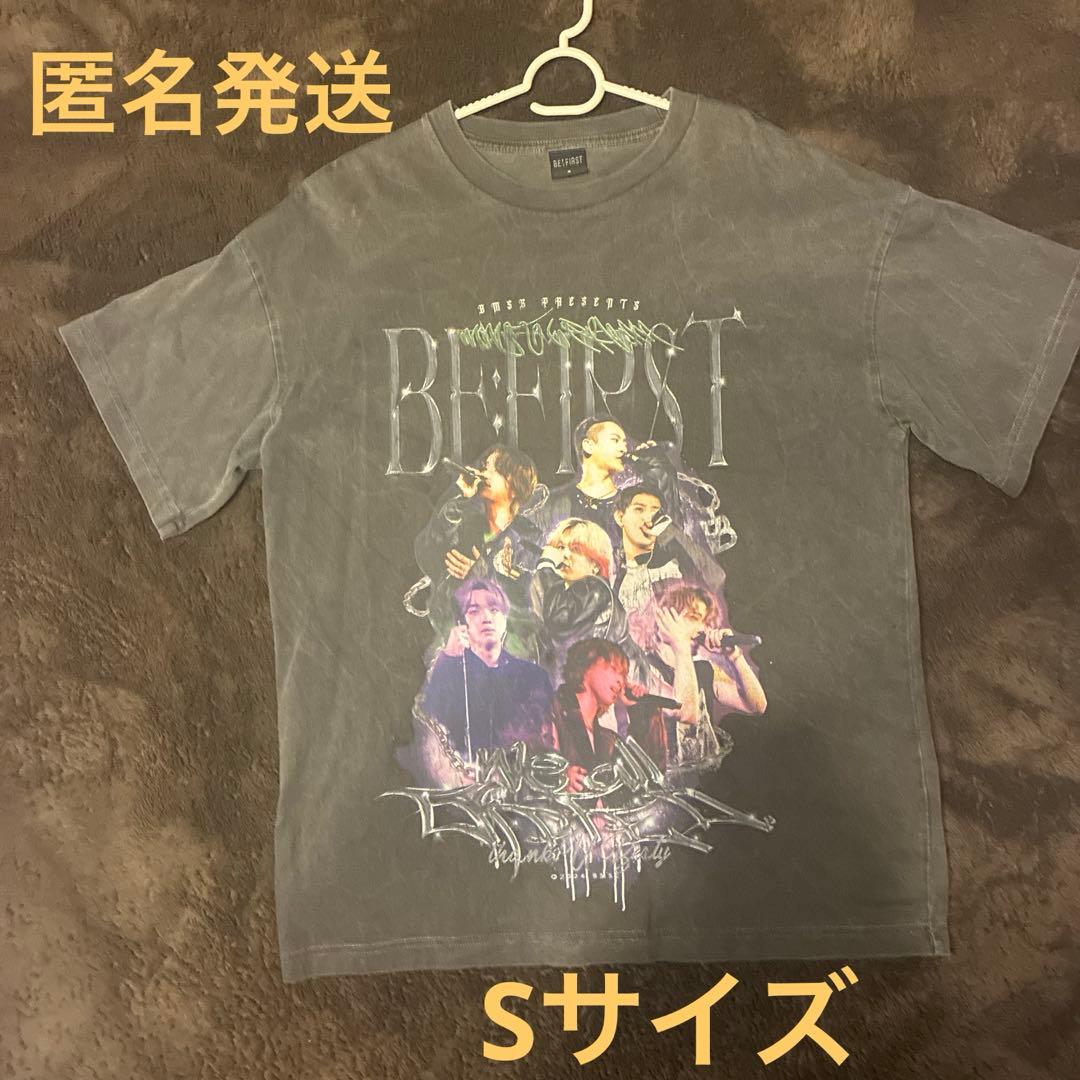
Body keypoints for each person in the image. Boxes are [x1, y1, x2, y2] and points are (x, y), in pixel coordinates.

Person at [414, 444, 543, 661]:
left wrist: (482, 575)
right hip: (461, 654)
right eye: (484, 466)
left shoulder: (529, 540)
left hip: (509, 659)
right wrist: (458, 496)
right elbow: (428, 553)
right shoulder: (468, 527)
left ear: (514, 485)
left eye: (495, 469)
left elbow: (526, 608)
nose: (483, 473)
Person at [629, 579, 767, 773]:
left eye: (705, 620)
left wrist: (735, 657)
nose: (703, 628)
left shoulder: (703, 669)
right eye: (695, 617)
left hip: (707, 776)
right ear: (668, 618)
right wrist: (680, 645)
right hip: (669, 780)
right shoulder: (642, 669)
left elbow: (757, 705)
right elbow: (687, 712)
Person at [419, 578, 553, 762]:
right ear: (461, 623)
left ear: (505, 620)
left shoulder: (534, 677)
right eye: (474, 610)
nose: (487, 617)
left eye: (494, 609)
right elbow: (430, 724)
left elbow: (550, 736)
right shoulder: (451, 672)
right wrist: (448, 658)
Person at [528, 516, 647, 686]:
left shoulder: (597, 590)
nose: (564, 555)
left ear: (595, 565)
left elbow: (559, 620)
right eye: (560, 547)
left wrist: (546, 565)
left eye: (575, 549)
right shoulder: (562, 596)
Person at [537, 416, 680, 555]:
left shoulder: (632, 505)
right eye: (615, 440)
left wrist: (661, 475)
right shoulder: (553, 504)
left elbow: (667, 543)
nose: (624, 449)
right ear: (588, 446)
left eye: (624, 443)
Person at [548, 638, 657, 797]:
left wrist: (636, 709)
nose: (621, 681)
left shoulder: (607, 739)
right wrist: (558, 778)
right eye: (614, 669)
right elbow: (533, 764)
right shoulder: (552, 710)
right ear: (587, 664)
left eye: (624, 676)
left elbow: (647, 777)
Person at [612, 482, 702, 615]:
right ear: (620, 517)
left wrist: (669, 533)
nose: (649, 520)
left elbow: (714, 581)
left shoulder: (674, 567)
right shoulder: (613, 574)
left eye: (655, 512)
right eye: (639, 509)